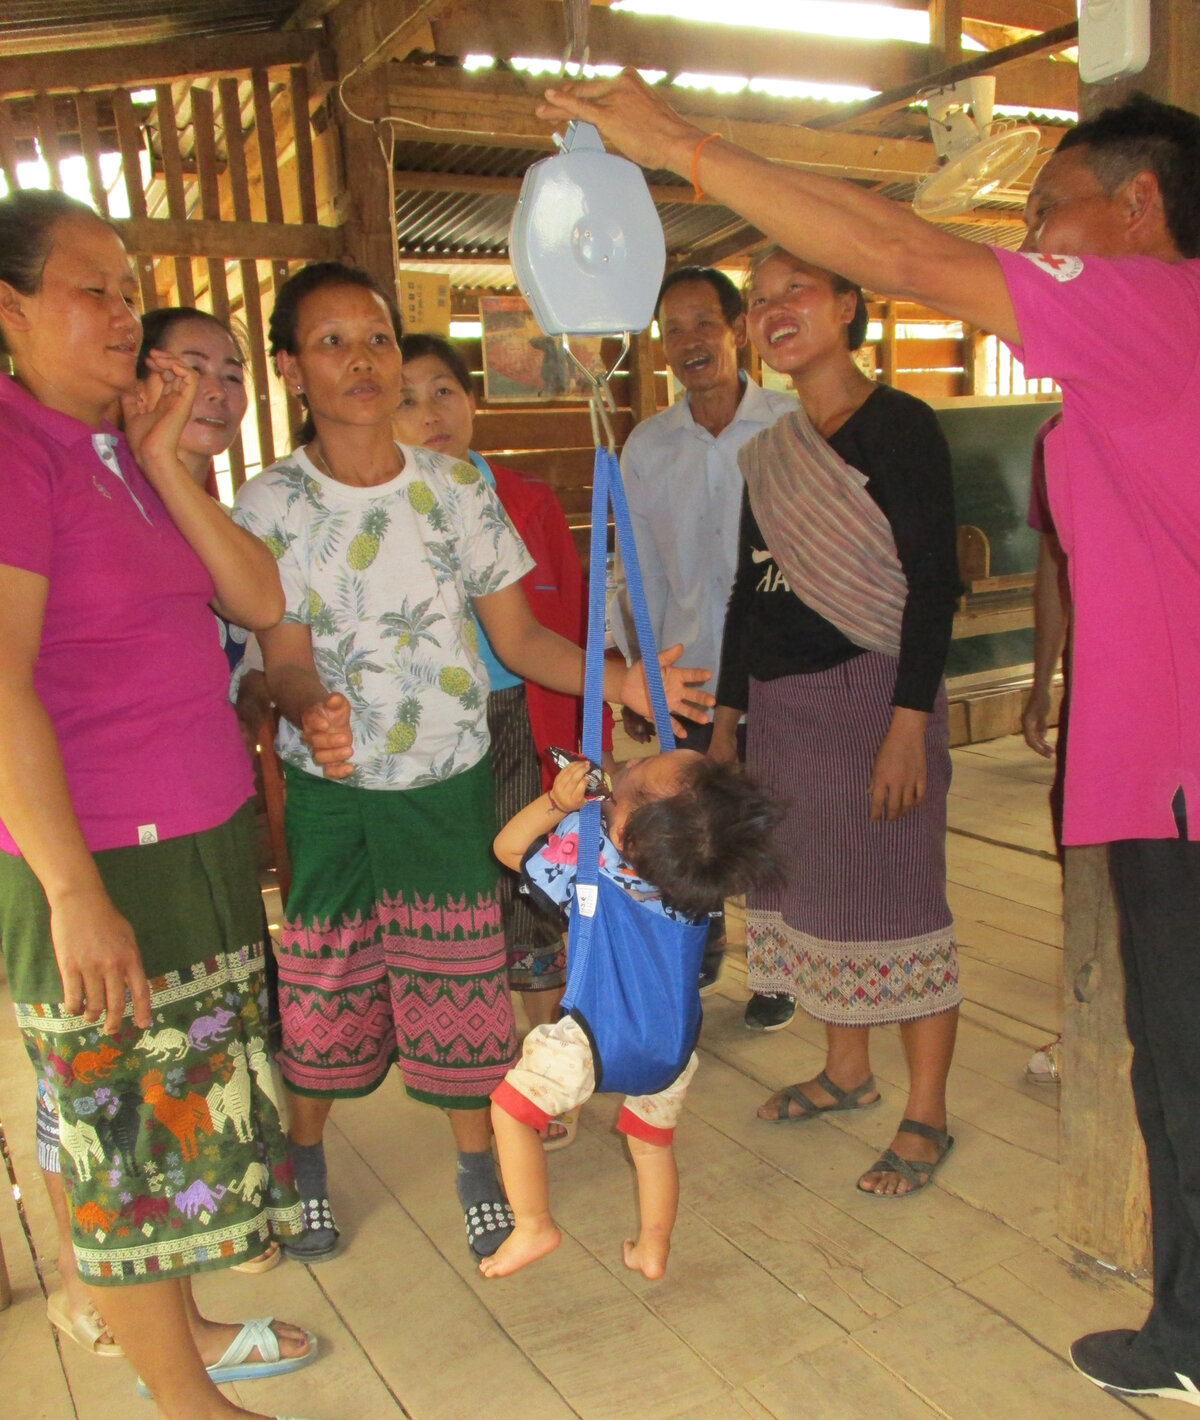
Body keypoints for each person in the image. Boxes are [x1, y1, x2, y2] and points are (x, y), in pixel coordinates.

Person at [539, 73, 1200, 1408]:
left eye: (1049, 213)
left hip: (1181, 776)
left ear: (1141, 204)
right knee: (1169, 1061)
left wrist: (678, 142)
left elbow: (907, 254)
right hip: (1137, 772)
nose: (1030, 240)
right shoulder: (1113, 373)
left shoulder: (1156, 307)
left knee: (1180, 1061)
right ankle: (1185, 1317)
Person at [232, 261, 713, 1266]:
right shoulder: (270, 501)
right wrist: (304, 703)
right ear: (289, 367)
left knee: (459, 982)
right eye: (331, 341)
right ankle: (305, 1161)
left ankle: (474, 1165)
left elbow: (527, 640)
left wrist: (622, 683)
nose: (361, 360)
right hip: (328, 793)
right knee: (325, 981)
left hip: (447, 778)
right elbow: (277, 652)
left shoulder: (457, 490)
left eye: (374, 336)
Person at [0, 189, 318, 1420]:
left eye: (132, 290)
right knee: (128, 1138)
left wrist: (159, 457)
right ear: (12, 310)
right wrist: (72, 892)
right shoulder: (15, 445)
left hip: (189, 837)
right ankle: (183, 1403)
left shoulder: (107, 449)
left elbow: (253, 593)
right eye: (96, 290)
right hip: (100, 856)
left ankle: (183, 1336)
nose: (127, 315)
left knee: (183, 1119)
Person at [711, 245, 962, 1196]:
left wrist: (908, 723)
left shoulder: (900, 427)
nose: (773, 312)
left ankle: (926, 1112)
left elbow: (934, 583)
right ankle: (847, 1074)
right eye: (759, 302)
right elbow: (747, 592)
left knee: (898, 901)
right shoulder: (772, 451)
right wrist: (730, 716)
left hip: (873, 698)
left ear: (847, 305)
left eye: (796, 293)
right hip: (783, 713)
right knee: (814, 901)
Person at [481, 749, 781, 1280]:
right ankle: (652, 1249)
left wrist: (555, 802)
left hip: (598, 1038)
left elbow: (506, 847)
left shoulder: (592, 863)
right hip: (672, 1047)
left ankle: (533, 1224)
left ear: (624, 836)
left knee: (509, 1110)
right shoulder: (699, 887)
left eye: (623, 786)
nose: (634, 758)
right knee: (651, 1149)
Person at [613, 266, 796, 1001]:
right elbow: (639, 572)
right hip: (689, 678)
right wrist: (642, 677)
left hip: (784, 673)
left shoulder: (790, 425)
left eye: (702, 323)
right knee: (690, 826)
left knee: (774, 819)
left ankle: (778, 976)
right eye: (672, 330)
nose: (688, 341)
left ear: (738, 329)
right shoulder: (648, 448)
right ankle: (696, 955)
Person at [1020, 415, 1069, 1087]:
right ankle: (1095, 1015)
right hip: (1099, 686)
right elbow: (1053, 570)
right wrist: (1043, 682)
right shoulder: (1055, 438)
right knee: (1084, 852)